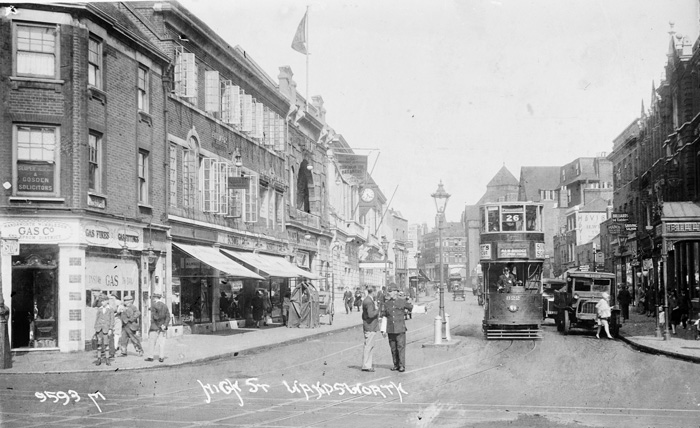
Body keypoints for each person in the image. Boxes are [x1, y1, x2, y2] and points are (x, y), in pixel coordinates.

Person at [381, 283, 413, 372]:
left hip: (400, 329)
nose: (389, 293)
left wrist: (423, 308)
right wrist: (383, 330)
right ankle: (396, 364)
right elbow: (384, 317)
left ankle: (402, 365)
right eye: (389, 291)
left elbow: (412, 308)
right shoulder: (387, 304)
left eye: (391, 291)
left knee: (401, 347)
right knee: (393, 348)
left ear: (395, 292)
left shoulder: (402, 301)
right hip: (390, 329)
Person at [146, 293, 169, 363]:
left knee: (152, 342)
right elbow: (168, 317)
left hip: (154, 327)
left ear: (155, 298)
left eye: (153, 298)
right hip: (162, 327)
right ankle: (161, 357)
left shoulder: (154, 306)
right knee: (161, 343)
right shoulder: (165, 306)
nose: (153, 299)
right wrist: (164, 325)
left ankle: (150, 357)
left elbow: (155, 317)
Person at [361, 287, 379, 372]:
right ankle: (366, 365)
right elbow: (371, 314)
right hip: (370, 326)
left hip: (369, 325)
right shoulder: (368, 301)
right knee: (368, 346)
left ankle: (367, 364)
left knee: (369, 345)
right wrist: (378, 310)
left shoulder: (367, 300)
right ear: (374, 292)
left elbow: (363, 314)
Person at [94, 294, 114, 366]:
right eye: (101, 301)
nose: (102, 303)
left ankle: (107, 359)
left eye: (103, 301)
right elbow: (97, 319)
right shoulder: (100, 309)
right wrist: (96, 328)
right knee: (99, 344)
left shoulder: (110, 309)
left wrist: (110, 329)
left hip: (106, 329)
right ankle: (99, 359)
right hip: (99, 329)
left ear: (107, 301)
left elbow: (112, 320)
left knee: (106, 344)